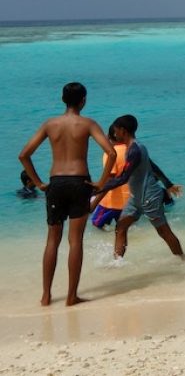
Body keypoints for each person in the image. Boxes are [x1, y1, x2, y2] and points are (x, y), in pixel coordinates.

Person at [18, 82, 116, 306]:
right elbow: (110, 152)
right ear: (83, 100)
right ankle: (71, 296)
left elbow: (24, 155)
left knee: (52, 240)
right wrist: (101, 183)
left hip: (56, 182)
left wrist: (38, 183)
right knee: (75, 242)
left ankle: (46, 296)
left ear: (63, 99)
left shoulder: (50, 124)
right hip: (79, 182)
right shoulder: (88, 124)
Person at [92, 114, 184, 260]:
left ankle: (183, 259)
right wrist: (168, 184)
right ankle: (118, 263)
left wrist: (98, 188)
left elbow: (123, 178)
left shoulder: (135, 149)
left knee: (163, 232)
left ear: (123, 131)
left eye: (115, 131)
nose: (114, 134)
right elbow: (152, 166)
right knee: (121, 227)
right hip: (136, 197)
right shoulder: (136, 147)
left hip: (149, 197)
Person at [90, 124, 130, 229]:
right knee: (123, 227)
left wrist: (95, 202)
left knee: (96, 223)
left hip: (111, 202)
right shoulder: (132, 150)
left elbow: (109, 180)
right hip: (130, 200)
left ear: (109, 136)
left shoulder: (110, 153)